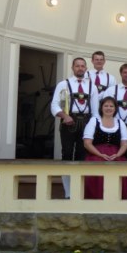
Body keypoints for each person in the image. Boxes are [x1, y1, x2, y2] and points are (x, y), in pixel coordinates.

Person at [51, 57, 96, 198]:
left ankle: (79, 190)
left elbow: (95, 110)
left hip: (86, 122)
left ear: (86, 68)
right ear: (72, 67)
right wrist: (64, 116)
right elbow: (54, 105)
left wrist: (93, 126)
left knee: (82, 155)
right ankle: (68, 192)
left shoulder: (92, 86)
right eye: (77, 66)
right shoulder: (63, 84)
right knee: (67, 154)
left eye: (82, 66)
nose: (80, 68)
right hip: (69, 121)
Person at [82, 96, 127, 200]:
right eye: (106, 106)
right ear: (101, 108)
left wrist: (118, 155)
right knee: (96, 169)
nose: (108, 108)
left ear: (115, 108)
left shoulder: (120, 122)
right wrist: (100, 154)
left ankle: (116, 199)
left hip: (115, 155)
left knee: (121, 169)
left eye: (111, 106)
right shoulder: (94, 121)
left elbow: (125, 144)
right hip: (96, 154)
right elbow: (87, 143)